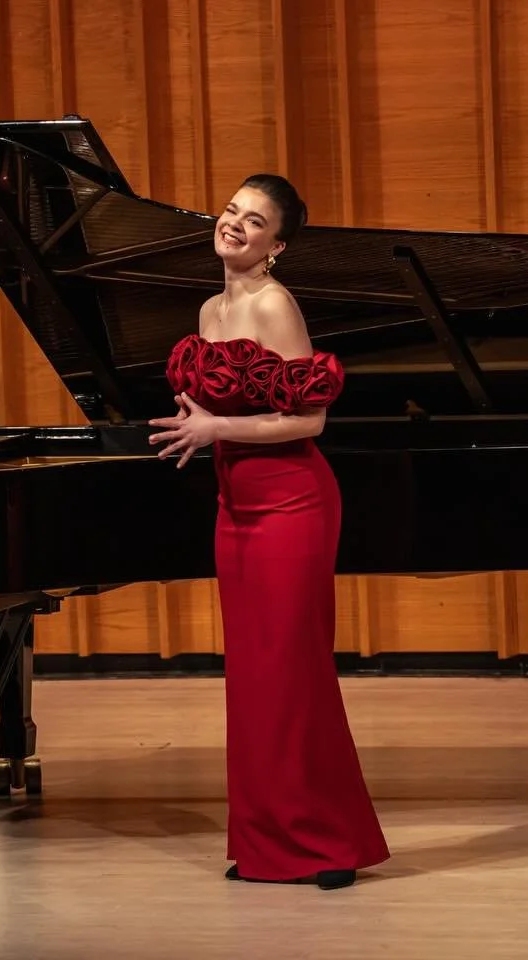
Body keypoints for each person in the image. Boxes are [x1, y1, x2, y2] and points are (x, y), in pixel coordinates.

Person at [149, 175, 389, 890]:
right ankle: (265, 843)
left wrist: (216, 428)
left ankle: (328, 843)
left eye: (255, 221)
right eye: (232, 210)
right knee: (254, 679)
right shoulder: (209, 308)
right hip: (236, 507)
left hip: (292, 504)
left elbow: (309, 419)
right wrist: (202, 427)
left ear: (276, 246)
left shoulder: (274, 304)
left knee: (294, 673)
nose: (235, 224)